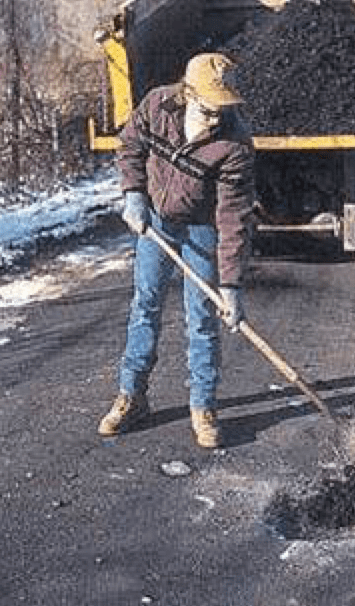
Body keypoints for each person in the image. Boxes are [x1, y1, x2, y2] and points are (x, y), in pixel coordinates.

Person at [98, 53, 255, 448]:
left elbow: (233, 218)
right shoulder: (157, 105)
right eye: (209, 109)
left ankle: (203, 406)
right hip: (156, 222)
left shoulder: (235, 144)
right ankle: (132, 396)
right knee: (145, 304)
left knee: (202, 317)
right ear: (188, 93)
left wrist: (231, 287)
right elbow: (129, 146)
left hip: (202, 228)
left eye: (223, 109)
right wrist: (134, 194)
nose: (216, 118)